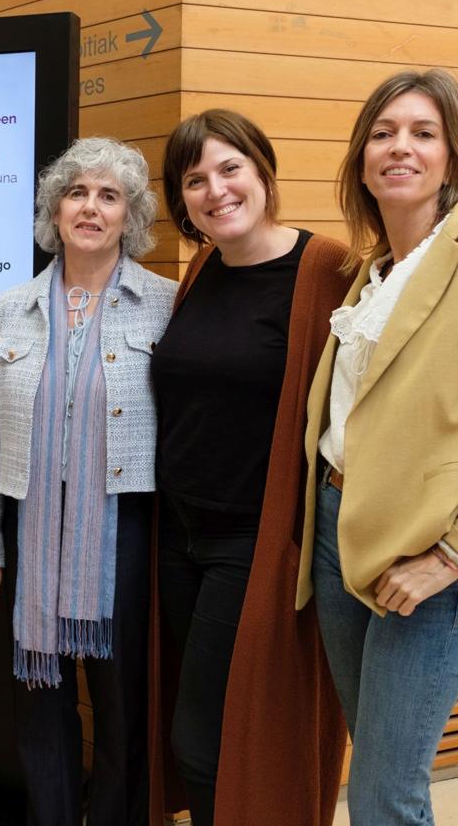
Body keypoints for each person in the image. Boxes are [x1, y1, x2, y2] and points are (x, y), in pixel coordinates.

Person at [299, 68, 458, 824]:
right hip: (339, 532)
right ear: (361, 159)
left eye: (422, 132)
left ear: (455, 155)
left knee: (384, 789)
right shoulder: (369, 273)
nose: (398, 147)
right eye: (382, 133)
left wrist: (455, 556)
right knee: (377, 764)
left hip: (437, 556)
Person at [0, 137, 177, 826]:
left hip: (124, 529)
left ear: (130, 216)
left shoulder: (165, 304)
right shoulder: (12, 308)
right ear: (55, 210)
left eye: (109, 196)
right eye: (77, 193)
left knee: (121, 703)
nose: (91, 207)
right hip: (31, 526)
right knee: (40, 696)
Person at [148, 111, 351, 826]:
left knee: (207, 741)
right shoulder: (201, 268)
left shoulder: (327, 269)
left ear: (264, 171)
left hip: (253, 545)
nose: (215, 190)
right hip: (177, 538)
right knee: (193, 733)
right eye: (195, 179)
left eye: (229, 168)